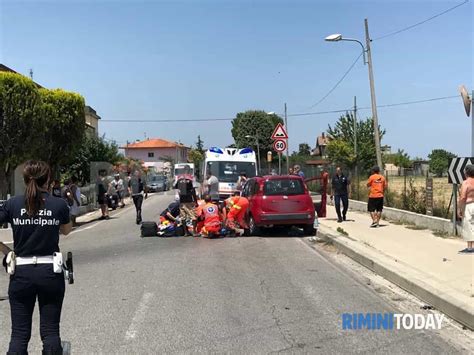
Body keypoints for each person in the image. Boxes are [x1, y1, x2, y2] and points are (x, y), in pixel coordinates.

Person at [0, 160, 72, 355]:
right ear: (47, 179)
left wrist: (8, 252)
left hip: (21, 273)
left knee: (19, 335)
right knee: (50, 331)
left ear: (25, 180)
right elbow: (66, 231)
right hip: (49, 272)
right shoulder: (59, 204)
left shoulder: (12, 203)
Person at [458, 164, 474, 253]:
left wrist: (459, 208)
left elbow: (463, 197)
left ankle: (469, 248)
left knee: (468, 225)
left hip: (469, 205)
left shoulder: (466, 183)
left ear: (466, 172)